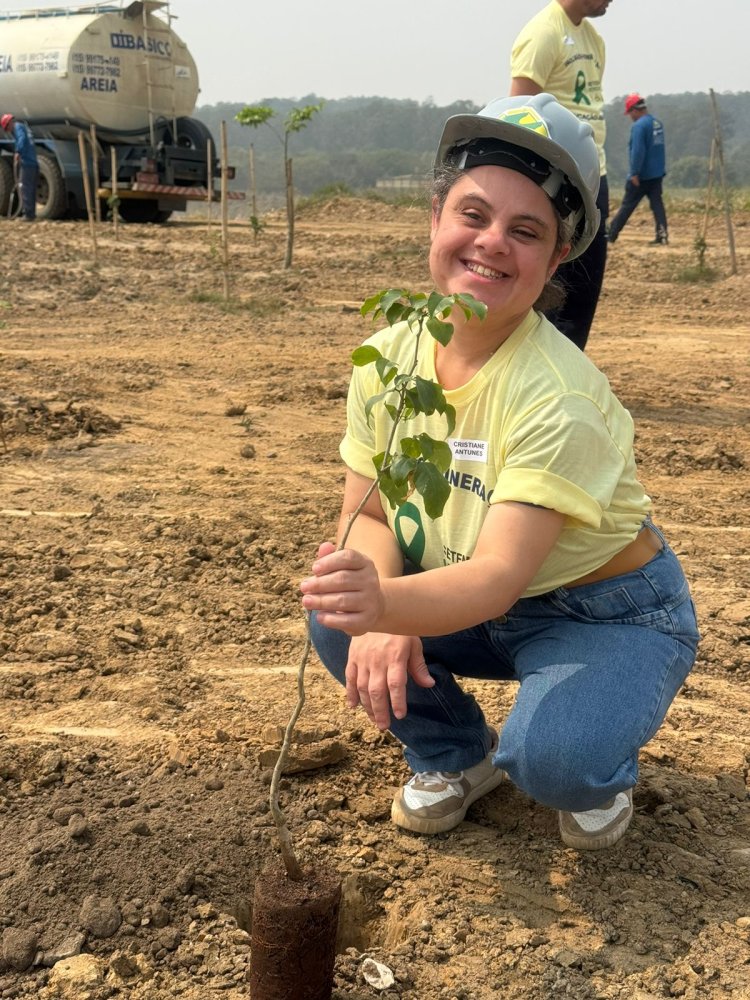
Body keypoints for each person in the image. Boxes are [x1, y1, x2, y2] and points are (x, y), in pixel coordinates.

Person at [300, 93, 699, 852]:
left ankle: (587, 766)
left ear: (558, 259)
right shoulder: (388, 361)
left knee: (554, 763)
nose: (491, 244)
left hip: (602, 609)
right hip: (478, 594)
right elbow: (371, 518)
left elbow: (497, 577)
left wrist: (392, 607)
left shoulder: (558, 395)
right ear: (435, 220)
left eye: (525, 231)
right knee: (337, 614)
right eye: (473, 215)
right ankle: (457, 756)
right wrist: (376, 610)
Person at [509, 0, 612, 351]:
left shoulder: (593, 39)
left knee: (584, 288)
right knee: (553, 288)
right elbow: (519, 113)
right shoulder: (543, 33)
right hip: (556, 182)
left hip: (594, 174)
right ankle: (535, 377)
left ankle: (569, 370)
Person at [607, 93, 668, 246]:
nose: (630, 117)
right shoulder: (657, 123)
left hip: (641, 176)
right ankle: (663, 235)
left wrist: (634, 172)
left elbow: (638, 151)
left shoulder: (639, 126)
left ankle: (611, 235)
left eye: (630, 113)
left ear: (635, 110)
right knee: (657, 205)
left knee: (627, 206)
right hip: (657, 174)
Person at [1, 113, 38, 222]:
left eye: (7, 128)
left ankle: (28, 215)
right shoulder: (23, 127)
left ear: (9, 124)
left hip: (27, 163)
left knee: (25, 188)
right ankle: (31, 213)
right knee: (31, 189)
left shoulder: (18, 128)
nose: (9, 131)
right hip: (33, 163)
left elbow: (21, 140)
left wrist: (18, 152)